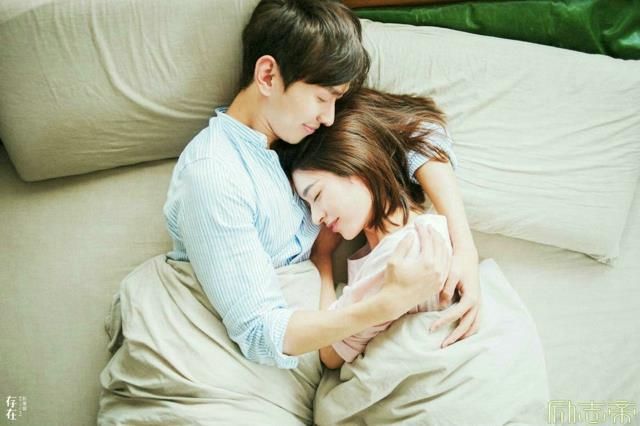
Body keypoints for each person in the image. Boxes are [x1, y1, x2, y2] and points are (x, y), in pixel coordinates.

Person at [162, 0, 477, 370]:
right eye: (323, 99)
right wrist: (386, 303)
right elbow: (261, 332)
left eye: (336, 100)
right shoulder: (214, 175)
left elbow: (420, 131)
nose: (329, 116)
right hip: (235, 366)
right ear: (268, 76)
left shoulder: (303, 132)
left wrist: (464, 249)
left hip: (323, 349)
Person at [277, 88, 480, 369]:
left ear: (356, 164)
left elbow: (329, 354)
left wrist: (322, 259)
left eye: (317, 195)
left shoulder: (396, 257)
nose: (316, 217)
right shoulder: (424, 231)